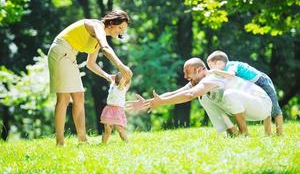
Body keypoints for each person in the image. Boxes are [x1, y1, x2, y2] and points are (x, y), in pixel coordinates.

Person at [47, 9, 132, 146]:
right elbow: (105, 48)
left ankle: (82, 140)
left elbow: (90, 64)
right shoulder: (96, 26)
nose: (121, 32)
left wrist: (107, 76)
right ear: (112, 22)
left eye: (124, 30)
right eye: (120, 27)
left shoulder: (98, 39)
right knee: (63, 98)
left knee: (79, 96)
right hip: (61, 52)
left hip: (69, 56)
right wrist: (121, 66)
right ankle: (60, 142)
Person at [126, 58, 272, 136]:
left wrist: (162, 102)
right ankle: (231, 132)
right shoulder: (199, 81)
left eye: (187, 72)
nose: (185, 76)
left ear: (198, 70)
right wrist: (149, 102)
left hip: (261, 105)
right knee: (205, 98)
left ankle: (244, 133)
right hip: (245, 107)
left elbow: (190, 95)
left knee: (227, 94)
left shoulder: (212, 76)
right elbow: (176, 93)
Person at [206, 50, 283, 135]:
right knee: (266, 108)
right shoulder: (225, 70)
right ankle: (268, 133)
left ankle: (279, 133)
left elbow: (231, 75)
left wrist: (214, 71)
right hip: (253, 87)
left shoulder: (231, 65)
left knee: (274, 108)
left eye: (211, 66)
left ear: (219, 63)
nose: (210, 69)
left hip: (262, 81)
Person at [101, 72, 131, 143]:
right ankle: (103, 143)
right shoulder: (113, 85)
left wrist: (128, 74)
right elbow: (115, 80)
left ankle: (127, 142)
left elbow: (126, 83)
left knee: (120, 129)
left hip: (117, 111)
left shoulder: (121, 88)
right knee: (107, 129)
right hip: (109, 109)